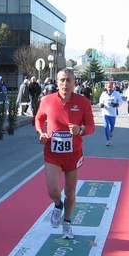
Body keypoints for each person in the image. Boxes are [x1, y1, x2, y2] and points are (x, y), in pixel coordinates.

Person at [35, 68, 95, 239]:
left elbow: (91, 127)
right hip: (52, 152)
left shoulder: (83, 102)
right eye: (62, 80)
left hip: (73, 155)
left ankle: (67, 222)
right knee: (53, 190)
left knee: (70, 192)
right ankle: (57, 204)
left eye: (69, 80)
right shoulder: (47, 100)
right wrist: (41, 133)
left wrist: (80, 129)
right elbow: (39, 119)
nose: (65, 84)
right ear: (57, 82)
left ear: (74, 83)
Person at [99, 81, 122, 146]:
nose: (109, 88)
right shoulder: (103, 94)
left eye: (110, 87)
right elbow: (100, 101)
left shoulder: (116, 93)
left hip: (112, 113)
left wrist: (117, 104)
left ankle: (110, 132)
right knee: (106, 126)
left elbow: (121, 101)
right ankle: (108, 141)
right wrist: (101, 105)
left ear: (113, 87)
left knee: (111, 127)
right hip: (105, 113)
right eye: (108, 87)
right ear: (106, 87)